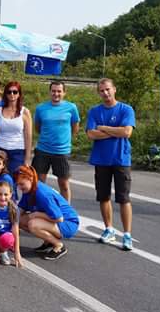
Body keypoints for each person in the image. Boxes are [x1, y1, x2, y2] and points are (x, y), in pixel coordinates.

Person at [86, 78, 136, 251]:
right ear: (98, 92)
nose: (105, 93)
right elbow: (91, 134)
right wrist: (116, 131)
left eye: (108, 89)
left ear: (114, 89)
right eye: (102, 90)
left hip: (121, 159)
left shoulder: (126, 109)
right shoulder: (94, 111)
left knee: (123, 198)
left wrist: (104, 128)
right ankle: (109, 229)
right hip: (101, 160)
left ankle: (127, 234)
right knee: (103, 197)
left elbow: (127, 132)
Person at [17, 165, 79, 261]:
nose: (19, 188)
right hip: (56, 220)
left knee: (33, 224)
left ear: (31, 179)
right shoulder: (29, 189)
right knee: (19, 220)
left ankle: (59, 246)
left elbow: (59, 218)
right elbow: (20, 209)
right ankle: (48, 242)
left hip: (68, 223)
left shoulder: (42, 193)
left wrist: (36, 214)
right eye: (18, 184)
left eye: (21, 184)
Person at [32, 81, 80, 203]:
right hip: (43, 150)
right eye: (53, 91)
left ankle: (65, 209)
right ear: (49, 92)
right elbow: (37, 127)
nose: (56, 94)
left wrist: (65, 140)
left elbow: (75, 127)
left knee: (64, 184)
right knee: (39, 183)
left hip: (61, 151)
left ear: (64, 93)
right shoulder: (41, 108)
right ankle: (40, 206)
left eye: (59, 91)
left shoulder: (71, 107)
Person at [0, 81, 32, 176]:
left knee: (15, 179)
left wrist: (27, 158)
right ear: (5, 94)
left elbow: (28, 137)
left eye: (15, 92)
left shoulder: (25, 112)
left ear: (19, 94)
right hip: (0, 149)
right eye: (9, 92)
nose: (12, 94)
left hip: (18, 151)